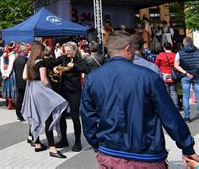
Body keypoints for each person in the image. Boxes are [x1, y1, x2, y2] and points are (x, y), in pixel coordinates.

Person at [81, 31, 198, 167]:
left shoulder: (93, 78)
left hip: (110, 152)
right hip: (146, 153)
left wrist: (95, 145)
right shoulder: (148, 76)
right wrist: (187, 146)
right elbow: (169, 115)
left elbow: (87, 116)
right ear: (127, 49)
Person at [21, 41, 68, 158]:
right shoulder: (41, 62)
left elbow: (24, 77)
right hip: (41, 90)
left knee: (36, 116)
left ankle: (37, 144)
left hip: (32, 89)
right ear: (39, 51)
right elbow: (44, 80)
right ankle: (52, 149)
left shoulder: (29, 61)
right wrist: (49, 89)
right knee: (48, 118)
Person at [50, 41, 89, 152]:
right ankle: (64, 139)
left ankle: (78, 141)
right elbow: (52, 62)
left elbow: (86, 69)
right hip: (63, 91)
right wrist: (50, 66)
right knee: (61, 116)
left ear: (74, 50)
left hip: (74, 92)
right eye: (65, 51)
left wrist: (75, 66)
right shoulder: (63, 58)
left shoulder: (79, 60)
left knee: (75, 117)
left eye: (68, 51)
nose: (66, 53)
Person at [174, 36, 199, 123]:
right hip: (197, 76)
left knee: (185, 96)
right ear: (191, 43)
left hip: (185, 76)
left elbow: (176, 65)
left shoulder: (180, 52)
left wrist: (186, 73)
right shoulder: (198, 51)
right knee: (198, 95)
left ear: (184, 43)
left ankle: (187, 117)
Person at [13, 43, 28, 121]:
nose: (28, 51)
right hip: (25, 82)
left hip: (18, 81)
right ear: (24, 50)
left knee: (20, 98)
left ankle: (18, 114)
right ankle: (24, 114)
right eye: (27, 50)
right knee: (25, 99)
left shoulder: (16, 59)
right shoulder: (25, 59)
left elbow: (14, 70)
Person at [0, 44, 17, 110]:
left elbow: (1, 66)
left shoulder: (2, 56)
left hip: (5, 74)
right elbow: (10, 66)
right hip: (11, 74)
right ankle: (10, 103)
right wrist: (7, 74)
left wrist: (3, 73)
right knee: (11, 88)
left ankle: (8, 102)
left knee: (7, 88)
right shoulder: (12, 56)